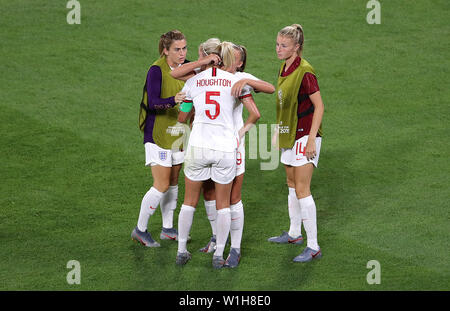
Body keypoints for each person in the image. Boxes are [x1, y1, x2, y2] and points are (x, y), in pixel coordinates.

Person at [174, 42, 261, 269]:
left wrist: (191, 107)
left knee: (192, 202)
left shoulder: (197, 80)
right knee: (223, 201)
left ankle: (185, 250)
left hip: (201, 146)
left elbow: (182, 118)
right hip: (227, 147)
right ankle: (219, 251)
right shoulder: (236, 81)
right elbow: (258, 110)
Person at [268, 24, 325, 263]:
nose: (278, 49)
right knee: (291, 183)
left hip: (305, 136)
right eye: (278, 44)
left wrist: (312, 139)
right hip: (289, 133)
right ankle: (294, 234)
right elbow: (285, 105)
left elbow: (320, 106)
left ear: (297, 47)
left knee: (302, 189)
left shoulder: (305, 71)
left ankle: (313, 246)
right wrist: (277, 131)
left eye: (284, 45)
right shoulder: (284, 67)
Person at [131, 30, 188, 247]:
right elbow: (153, 103)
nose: (182, 53)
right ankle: (140, 229)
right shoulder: (156, 70)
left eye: (184, 48)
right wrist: (174, 99)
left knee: (173, 181)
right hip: (157, 134)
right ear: (165, 50)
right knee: (162, 183)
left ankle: (167, 228)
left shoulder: (186, 67)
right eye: (177, 49)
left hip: (178, 134)